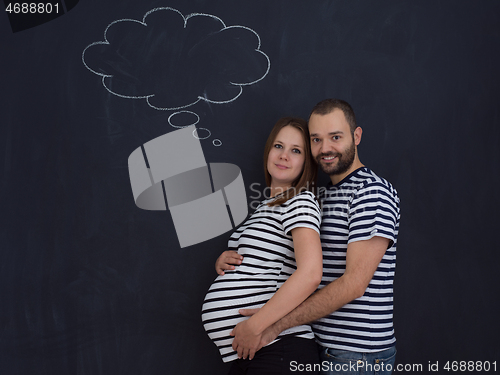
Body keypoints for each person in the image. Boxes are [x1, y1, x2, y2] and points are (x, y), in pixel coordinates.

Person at [225, 99, 400, 375]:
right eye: (316, 139)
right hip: (322, 346)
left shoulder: (371, 192)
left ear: (357, 136)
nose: (325, 148)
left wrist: (275, 324)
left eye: (335, 137)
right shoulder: (322, 196)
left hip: (357, 354)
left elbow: (354, 284)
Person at [201, 117, 324, 374]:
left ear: (306, 163)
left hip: (279, 348)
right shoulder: (265, 208)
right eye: (278, 146)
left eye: (296, 150)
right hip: (254, 352)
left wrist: (255, 325)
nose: (284, 156)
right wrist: (225, 261)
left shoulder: (299, 201)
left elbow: (311, 274)